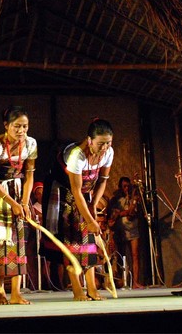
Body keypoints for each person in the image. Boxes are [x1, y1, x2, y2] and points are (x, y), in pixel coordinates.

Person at [48, 118, 114, 301]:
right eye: (100, 144)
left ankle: (92, 288)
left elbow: (102, 181)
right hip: (66, 196)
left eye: (108, 143)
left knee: (89, 243)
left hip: (86, 196)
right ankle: (77, 289)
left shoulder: (108, 152)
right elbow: (76, 191)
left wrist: (93, 206)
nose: (105, 148)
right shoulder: (77, 155)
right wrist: (90, 220)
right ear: (90, 140)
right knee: (72, 243)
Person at [0, 106, 37, 305]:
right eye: (17, 126)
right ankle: (0, 293)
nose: (21, 130)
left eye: (25, 126)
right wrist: (12, 202)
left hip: (20, 193)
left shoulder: (30, 143)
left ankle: (16, 293)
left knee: (19, 243)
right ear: (6, 126)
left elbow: (29, 174)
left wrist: (24, 202)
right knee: (0, 243)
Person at [109, 177, 144, 289]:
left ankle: (135, 282)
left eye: (128, 186)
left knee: (135, 255)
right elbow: (115, 214)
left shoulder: (135, 199)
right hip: (121, 230)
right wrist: (124, 212)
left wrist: (133, 200)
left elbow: (132, 214)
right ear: (121, 187)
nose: (127, 188)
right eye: (124, 186)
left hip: (133, 230)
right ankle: (122, 281)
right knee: (121, 256)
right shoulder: (117, 200)